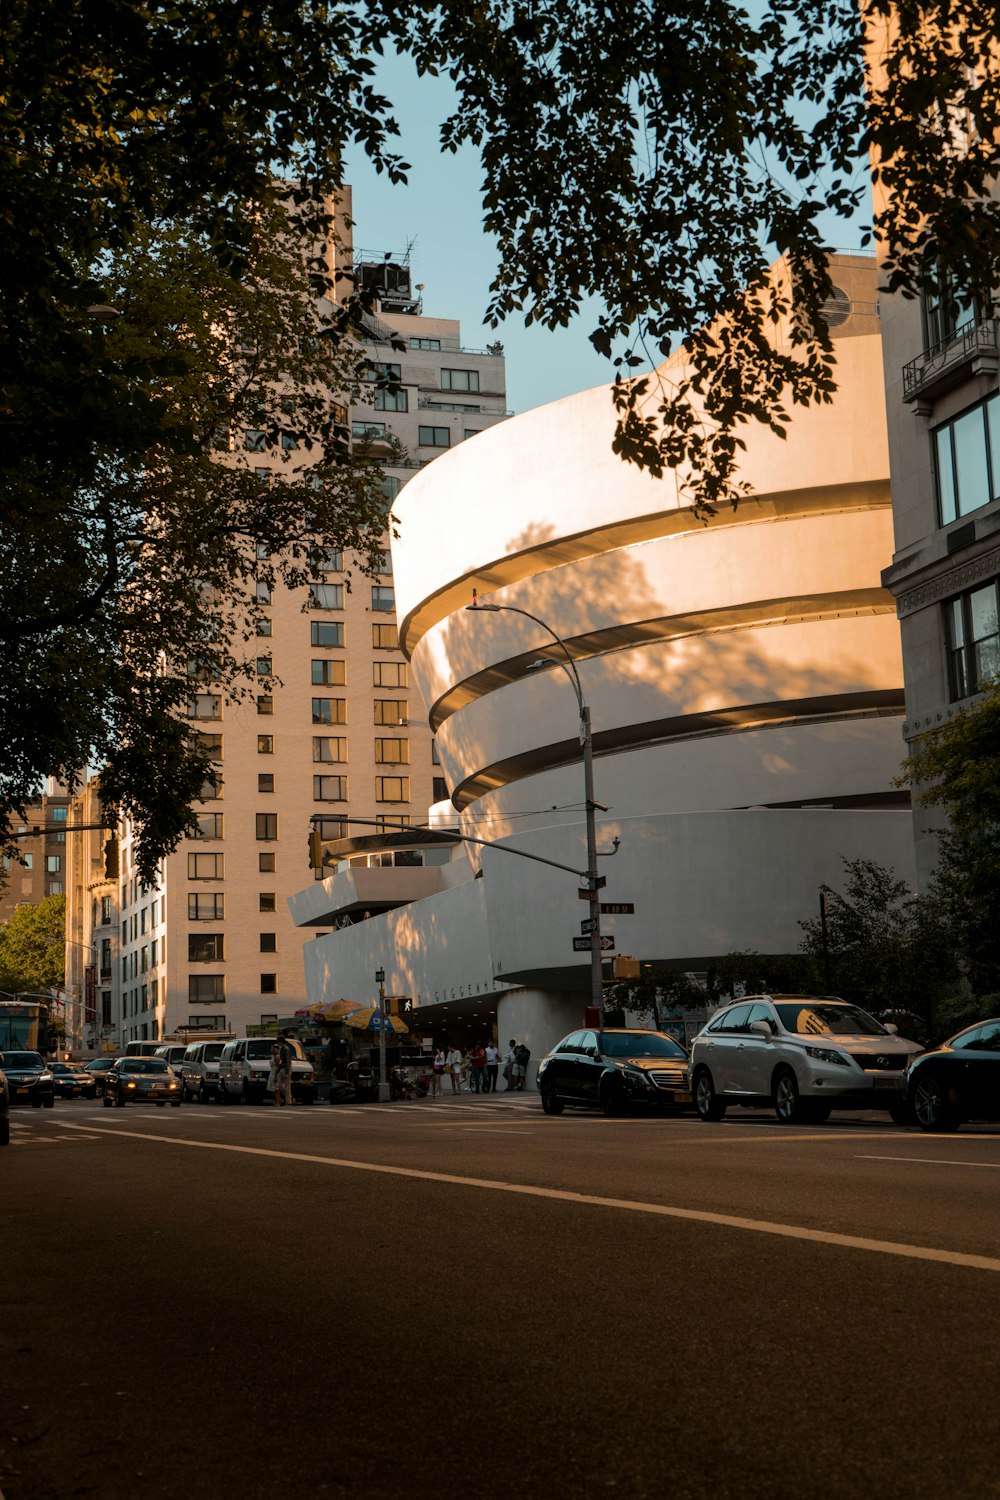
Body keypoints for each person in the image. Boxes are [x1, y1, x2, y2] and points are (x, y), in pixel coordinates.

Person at [276, 1030, 294, 1106]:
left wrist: (286, 1071)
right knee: (280, 1085)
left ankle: (289, 1101)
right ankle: (289, 1099)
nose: (277, 1043)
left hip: (286, 1067)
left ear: (280, 1041)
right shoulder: (283, 1048)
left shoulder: (285, 1049)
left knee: (287, 1085)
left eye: (278, 1041)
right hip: (283, 1067)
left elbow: (287, 1061)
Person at [268, 1039, 283, 1106]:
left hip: (275, 1073)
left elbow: (277, 1067)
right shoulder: (273, 1056)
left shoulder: (277, 1057)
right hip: (272, 1072)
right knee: (272, 1089)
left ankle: (278, 1102)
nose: (272, 1050)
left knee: (276, 1089)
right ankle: (280, 1100)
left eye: (274, 1049)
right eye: (272, 1049)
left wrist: (276, 1076)